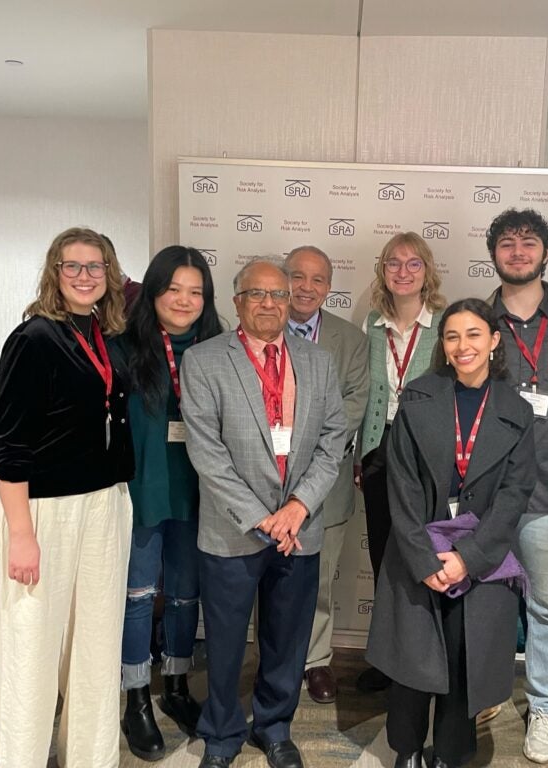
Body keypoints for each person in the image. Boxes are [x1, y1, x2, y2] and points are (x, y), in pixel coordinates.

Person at [180, 258, 344, 768]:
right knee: (226, 641)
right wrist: (262, 516)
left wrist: (297, 506)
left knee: (287, 640)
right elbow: (206, 453)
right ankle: (223, 733)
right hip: (232, 530)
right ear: (237, 302)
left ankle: (274, 727)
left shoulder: (317, 361)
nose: (270, 303)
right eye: (257, 294)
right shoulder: (204, 361)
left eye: (278, 293)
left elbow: (335, 438)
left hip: (300, 528)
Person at [0, 227, 135, 767]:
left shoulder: (102, 334)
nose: (83, 276)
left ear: (109, 275)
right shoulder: (33, 340)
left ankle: (90, 758)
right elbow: (6, 446)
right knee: (33, 645)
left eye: (94, 267)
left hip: (103, 504)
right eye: (71, 266)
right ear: (54, 272)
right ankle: (22, 757)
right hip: (40, 510)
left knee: (96, 646)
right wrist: (21, 536)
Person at [366, 298, 536, 768]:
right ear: (443, 344)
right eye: (452, 336)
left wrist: (469, 557)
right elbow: (398, 485)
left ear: (494, 341)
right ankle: (406, 749)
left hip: (479, 553)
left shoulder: (516, 411)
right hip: (418, 547)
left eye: (474, 334)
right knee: (413, 658)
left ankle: (450, 752)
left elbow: (515, 493)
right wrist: (424, 560)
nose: (464, 346)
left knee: (465, 659)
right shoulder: (418, 398)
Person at [484, 208, 548, 762]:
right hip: (488, 494)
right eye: (506, 242)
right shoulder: (477, 317)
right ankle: (483, 692)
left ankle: (544, 706)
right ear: (493, 253)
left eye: (528, 242)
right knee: (483, 601)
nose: (517, 251)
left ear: (546, 252)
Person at [117, 246, 223, 759]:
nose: (184, 300)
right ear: (154, 291)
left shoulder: (220, 349)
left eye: (195, 291)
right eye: (173, 289)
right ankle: (135, 697)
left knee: (185, 595)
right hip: (140, 490)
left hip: (200, 489)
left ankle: (178, 686)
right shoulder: (123, 348)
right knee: (137, 597)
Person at [357, 231, 446, 694]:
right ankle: (390, 662)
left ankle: (422, 660)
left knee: (420, 557)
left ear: (427, 270)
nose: (404, 271)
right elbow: (364, 395)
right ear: (383, 271)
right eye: (394, 263)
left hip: (423, 457)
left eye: (414, 263)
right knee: (382, 560)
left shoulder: (445, 325)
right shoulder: (373, 324)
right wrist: (359, 454)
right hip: (377, 452)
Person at [284, 246, 369, 705]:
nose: (306, 287)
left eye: (318, 279)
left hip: (328, 481)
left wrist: (312, 454)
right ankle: (277, 659)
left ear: (329, 287)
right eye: (297, 276)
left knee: (318, 578)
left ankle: (316, 662)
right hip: (267, 483)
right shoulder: (261, 326)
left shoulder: (351, 340)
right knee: (270, 576)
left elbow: (355, 403)